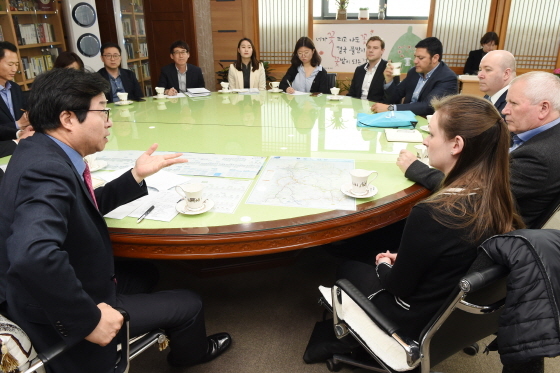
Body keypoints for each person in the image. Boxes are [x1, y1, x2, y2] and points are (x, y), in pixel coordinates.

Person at [0, 68, 231, 372]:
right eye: (102, 110)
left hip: (72, 276)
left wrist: (136, 176)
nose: (110, 120)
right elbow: (32, 256)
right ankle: (191, 355)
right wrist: (89, 320)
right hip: (55, 312)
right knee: (190, 303)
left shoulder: (40, 150)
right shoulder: (45, 172)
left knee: (145, 272)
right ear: (68, 118)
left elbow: (83, 206)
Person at [338, 94, 523, 341]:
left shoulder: (432, 213)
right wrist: (405, 259)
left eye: (432, 134)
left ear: (456, 144)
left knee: (347, 267)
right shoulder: (498, 198)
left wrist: (384, 263)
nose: (425, 142)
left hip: (411, 323)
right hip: (451, 320)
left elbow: (396, 286)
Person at [398, 72, 560, 228]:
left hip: (489, 234)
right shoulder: (534, 133)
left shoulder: (539, 157)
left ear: (543, 108)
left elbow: (473, 196)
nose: (504, 110)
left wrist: (417, 169)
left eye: (514, 103)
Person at [371, 37, 457, 117]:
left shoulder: (447, 78)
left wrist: (390, 108)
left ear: (435, 58)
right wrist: (389, 80)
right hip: (405, 119)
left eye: (420, 58)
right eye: (415, 57)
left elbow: (428, 106)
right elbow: (396, 96)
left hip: (428, 124)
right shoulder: (413, 72)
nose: (415, 61)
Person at [346, 36, 398, 102]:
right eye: (368, 47)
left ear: (382, 50)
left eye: (375, 48)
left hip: (378, 110)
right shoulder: (359, 69)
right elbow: (352, 94)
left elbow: (394, 98)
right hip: (358, 108)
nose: (370, 50)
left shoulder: (389, 69)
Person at [0, 41, 30, 138]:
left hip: (22, 140)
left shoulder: (15, 88)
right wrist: (18, 125)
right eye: (10, 64)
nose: (14, 69)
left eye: (16, 64)